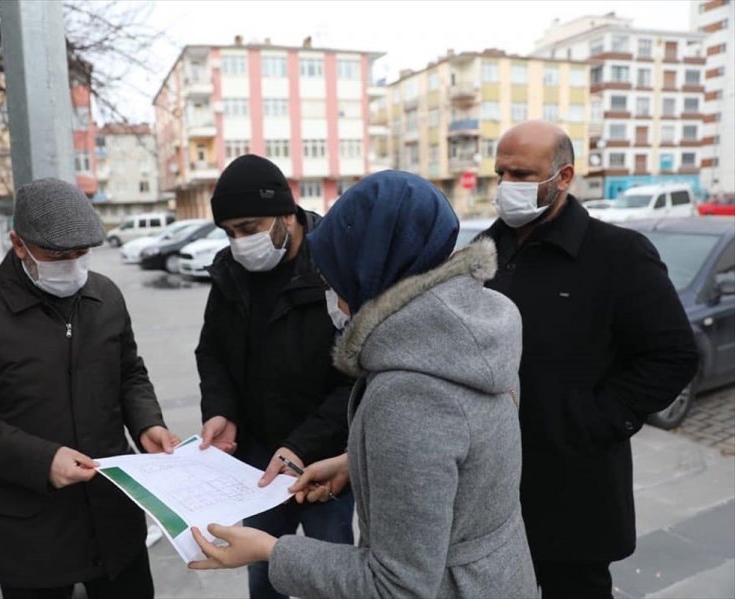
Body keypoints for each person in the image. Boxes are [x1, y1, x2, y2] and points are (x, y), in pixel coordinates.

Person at [189, 170, 539, 598]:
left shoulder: (406, 393)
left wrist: (270, 551)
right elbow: (460, 456)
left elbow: (396, 586)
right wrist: (358, 461)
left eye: (336, 284)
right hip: (495, 577)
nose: (333, 301)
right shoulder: (470, 331)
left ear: (371, 273)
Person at [0, 178, 179, 599]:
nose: (73, 266)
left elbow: (130, 372)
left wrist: (147, 424)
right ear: (18, 244)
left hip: (112, 516)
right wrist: (43, 460)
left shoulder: (105, 295)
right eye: (58, 255)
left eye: (82, 253)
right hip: (28, 531)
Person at [480, 121, 699, 598]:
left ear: (563, 177)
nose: (506, 186)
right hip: (490, 483)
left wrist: (596, 420)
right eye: (500, 173)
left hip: (575, 486)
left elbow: (673, 355)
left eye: (522, 173)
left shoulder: (618, 253)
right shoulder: (483, 253)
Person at [195, 154, 355, 599]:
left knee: (332, 575)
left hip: (326, 462)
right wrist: (221, 410)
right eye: (229, 233)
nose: (240, 242)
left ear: (288, 213)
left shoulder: (338, 266)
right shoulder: (230, 271)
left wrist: (304, 446)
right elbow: (212, 353)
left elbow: (360, 377)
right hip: (258, 463)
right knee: (265, 577)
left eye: (250, 228)